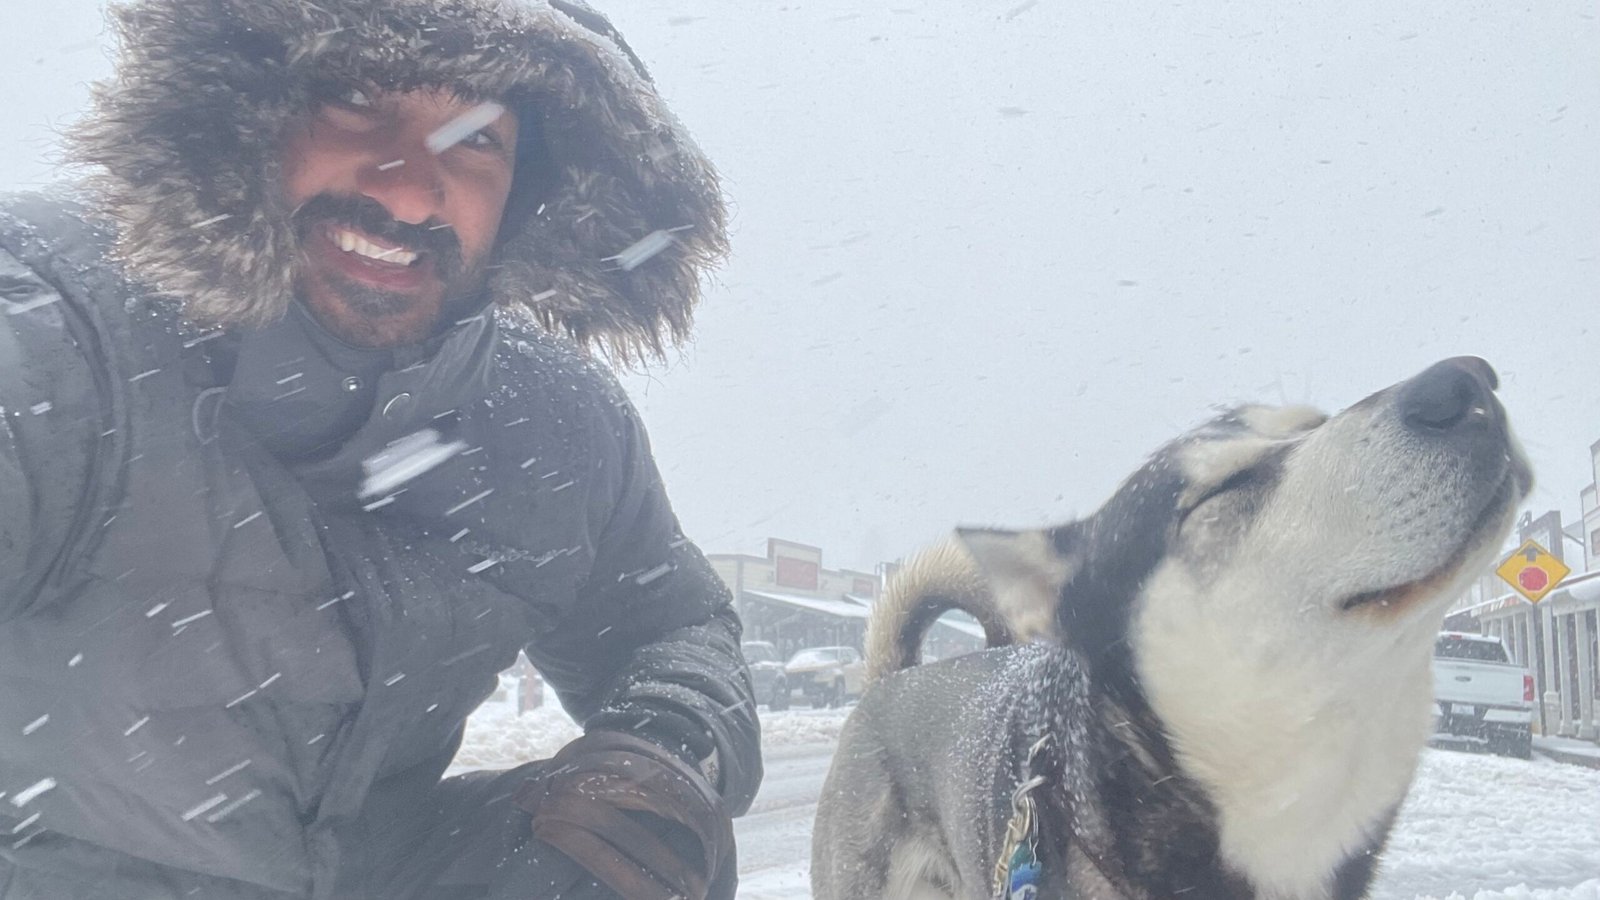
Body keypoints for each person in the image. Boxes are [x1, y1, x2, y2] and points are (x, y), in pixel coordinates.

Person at [0, 0, 760, 897]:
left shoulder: (554, 424)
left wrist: (664, 747)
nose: (406, 186)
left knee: (633, 848)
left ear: (530, 194)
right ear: (248, 104)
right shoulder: (56, 315)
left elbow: (670, 623)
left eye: (476, 142)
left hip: (365, 869)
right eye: (358, 99)